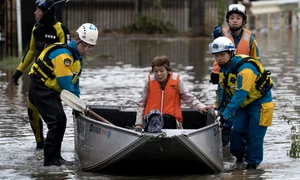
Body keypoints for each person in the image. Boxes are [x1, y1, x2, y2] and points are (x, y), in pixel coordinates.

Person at [28, 23, 98, 166]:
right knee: (55, 121)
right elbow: (66, 85)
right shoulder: (63, 56)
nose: (86, 49)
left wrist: (77, 105)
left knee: (62, 120)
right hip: (40, 88)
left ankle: (57, 157)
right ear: (77, 38)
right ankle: (50, 161)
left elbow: (75, 85)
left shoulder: (77, 58)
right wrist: (79, 107)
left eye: (90, 46)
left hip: (52, 90)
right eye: (84, 45)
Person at [11, 0, 71, 149]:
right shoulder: (36, 29)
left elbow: (69, 57)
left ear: (46, 12)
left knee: (57, 117)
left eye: (37, 10)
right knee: (32, 111)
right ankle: (40, 144)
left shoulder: (61, 30)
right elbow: (31, 52)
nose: (34, 13)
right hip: (37, 79)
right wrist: (18, 71)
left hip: (53, 83)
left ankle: (55, 147)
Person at [208, 36, 275, 169]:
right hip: (242, 105)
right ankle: (239, 159)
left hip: (259, 103)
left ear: (231, 53)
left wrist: (225, 115)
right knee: (236, 133)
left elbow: (239, 95)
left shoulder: (246, 70)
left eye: (222, 55)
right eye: (216, 56)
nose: (219, 58)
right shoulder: (224, 69)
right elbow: (222, 91)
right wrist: (219, 111)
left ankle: (252, 167)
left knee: (254, 137)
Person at [210, 3, 260, 146]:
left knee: (239, 107)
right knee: (222, 106)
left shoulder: (250, 39)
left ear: (244, 21)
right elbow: (215, 55)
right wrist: (214, 73)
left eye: (238, 18)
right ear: (227, 20)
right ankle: (223, 142)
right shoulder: (221, 34)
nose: (235, 20)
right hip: (223, 77)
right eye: (231, 18)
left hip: (242, 79)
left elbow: (256, 61)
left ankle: (238, 142)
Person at [135, 56, 214, 132]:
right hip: (151, 122)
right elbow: (141, 104)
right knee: (155, 118)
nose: (159, 74)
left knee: (166, 118)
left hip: (172, 122)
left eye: (162, 70)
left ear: (168, 70)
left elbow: (189, 99)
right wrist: (138, 124)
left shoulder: (177, 82)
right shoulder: (149, 83)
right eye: (155, 71)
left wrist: (202, 107)